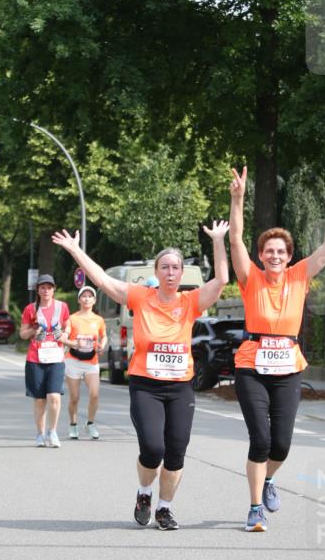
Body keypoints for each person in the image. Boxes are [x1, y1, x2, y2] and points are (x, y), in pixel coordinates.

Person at [53, 222, 229, 530]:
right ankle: (144, 493)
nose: (171, 272)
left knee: (176, 451)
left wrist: (217, 241)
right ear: (157, 272)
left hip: (179, 387)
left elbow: (222, 279)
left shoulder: (190, 302)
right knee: (153, 448)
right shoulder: (140, 297)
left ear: (181, 273)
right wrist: (76, 250)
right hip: (146, 386)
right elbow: (104, 280)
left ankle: (165, 508)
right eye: (165, 267)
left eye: (176, 267)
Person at [229, 166, 325, 532]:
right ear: (261, 255)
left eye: (281, 251)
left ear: (289, 255)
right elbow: (235, 241)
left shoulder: (300, 275)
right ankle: (254, 508)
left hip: (287, 367)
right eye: (268, 250)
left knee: (280, 445)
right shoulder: (250, 278)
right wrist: (237, 199)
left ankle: (269, 479)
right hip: (252, 366)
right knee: (261, 439)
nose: (275, 255)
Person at [19, 273, 72, 448]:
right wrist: (33, 332)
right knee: (40, 399)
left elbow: (68, 326)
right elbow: (22, 334)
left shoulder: (62, 307)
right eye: (43, 287)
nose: (46, 290)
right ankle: (40, 434)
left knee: (54, 396)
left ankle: (53, 432)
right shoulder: (30, 309)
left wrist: (64, 335)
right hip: (36, 358)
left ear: (54, 289)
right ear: (38, 290)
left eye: (49, 287)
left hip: (56, 357)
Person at [66, 286, 108, 440]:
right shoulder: (72, 318)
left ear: (94, 300)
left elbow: (103, 336)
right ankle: (73, 425)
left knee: (95, 394)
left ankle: (90, 424)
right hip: (73, 361)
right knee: (74, 398)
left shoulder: (98, 320)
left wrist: (102, 345)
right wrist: (73, 343)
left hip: (91, 361)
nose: (87, 299)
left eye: (90, 296)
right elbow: (65, 337)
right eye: (84, 296)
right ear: (79, 299)